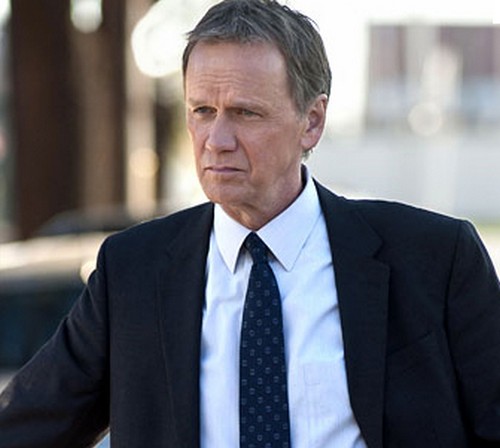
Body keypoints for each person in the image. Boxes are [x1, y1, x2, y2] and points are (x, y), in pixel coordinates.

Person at [1, 0, 500, 446]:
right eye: (202, 110)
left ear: (312, 121)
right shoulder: (132, 271)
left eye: (245, 113)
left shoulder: (436, 258)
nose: (216, 140)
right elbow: (26, 426)